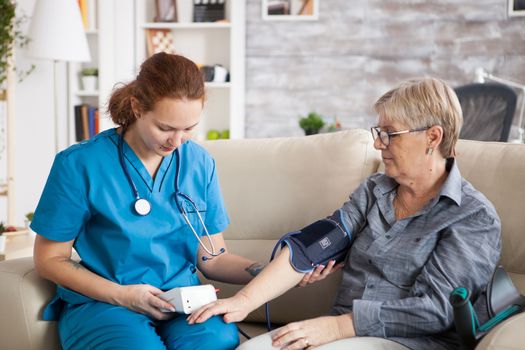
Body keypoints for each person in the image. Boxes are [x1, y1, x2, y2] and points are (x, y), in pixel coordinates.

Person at [31, 53, 330, 350]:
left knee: (218, 339)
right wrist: (123, 295)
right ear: (136, 107)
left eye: (188, 128)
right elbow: (49, 259)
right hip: (106, 301)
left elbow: (212, 257)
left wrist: (272, 271)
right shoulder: (80, 163)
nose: (176, 141)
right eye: (165, 128)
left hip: (181, 301)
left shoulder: (199, 163)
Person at [188, 77, 502, 350]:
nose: (379, 144)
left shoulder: (473, 217)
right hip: (341, 333)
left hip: (412, 342)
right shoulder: (375, 190)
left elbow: (435, 310)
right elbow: (312, 247)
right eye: (378, 132)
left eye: (390, 133)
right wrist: (241, 303)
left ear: (433, 137)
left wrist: (339, 327)